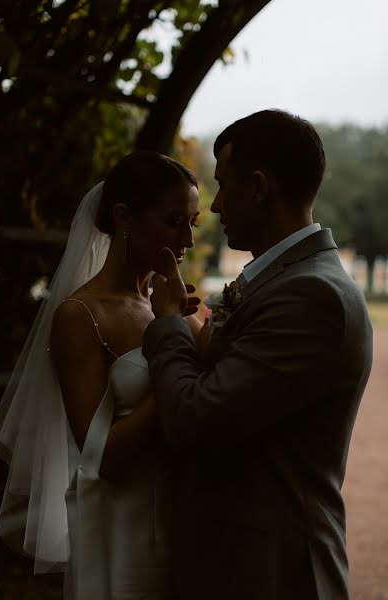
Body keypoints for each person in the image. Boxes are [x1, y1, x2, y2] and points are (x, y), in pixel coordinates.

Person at [142, 109, 373, 600]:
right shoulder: (291, 280)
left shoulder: (312, 296)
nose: (217, 204)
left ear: (259, 187)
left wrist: (166, 324)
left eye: (223, 185)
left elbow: (192, 418)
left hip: (269, 571)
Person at [0, 150, 201, 600]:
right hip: (123, 523)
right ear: (124, 217)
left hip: (185, 515)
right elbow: (98, 455)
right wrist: (173, 364)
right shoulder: (81, 315)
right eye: (173, 221)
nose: (187, 238)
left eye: (193, 223)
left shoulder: (167, 308)